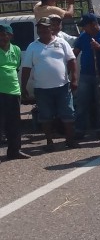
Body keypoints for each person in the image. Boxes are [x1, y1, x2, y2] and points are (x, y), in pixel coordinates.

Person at [20, 17, 78, 151]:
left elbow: (72, 61)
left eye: (46, 27)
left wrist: (74, 79)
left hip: (63, 86)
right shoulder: (32, 46)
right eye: (40, 28)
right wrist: (23, 87)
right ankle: (49, 142)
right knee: (45, 117)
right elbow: (26, 68)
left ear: (51, 28)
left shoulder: (62, 42)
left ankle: (70, 140)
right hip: (42, 89)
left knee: (68, 114)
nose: (43, 30)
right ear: (38, 30)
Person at [0, 24, 26, 159]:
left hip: (13, 91)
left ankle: (14, 151)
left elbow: (16, 68)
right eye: (0, 34)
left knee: (14, 123)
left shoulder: (16, 49)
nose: (3, 37)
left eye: (5, 34)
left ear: (11, 36)